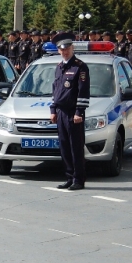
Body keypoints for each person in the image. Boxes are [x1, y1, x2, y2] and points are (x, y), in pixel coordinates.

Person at [50, 32, 90, 190]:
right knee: (64, 146)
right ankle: (69, 176)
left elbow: (83, 91)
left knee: (76, 147)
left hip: (74, 113)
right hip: (61, 112)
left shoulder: (80, 67)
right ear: (58, 50)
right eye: (61, 49)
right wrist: (53, 109)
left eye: (67, 49)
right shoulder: (59, 67)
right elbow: (56, 91)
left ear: (72, 48)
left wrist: (79, 112)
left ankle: (78, 179)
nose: (64, 52)